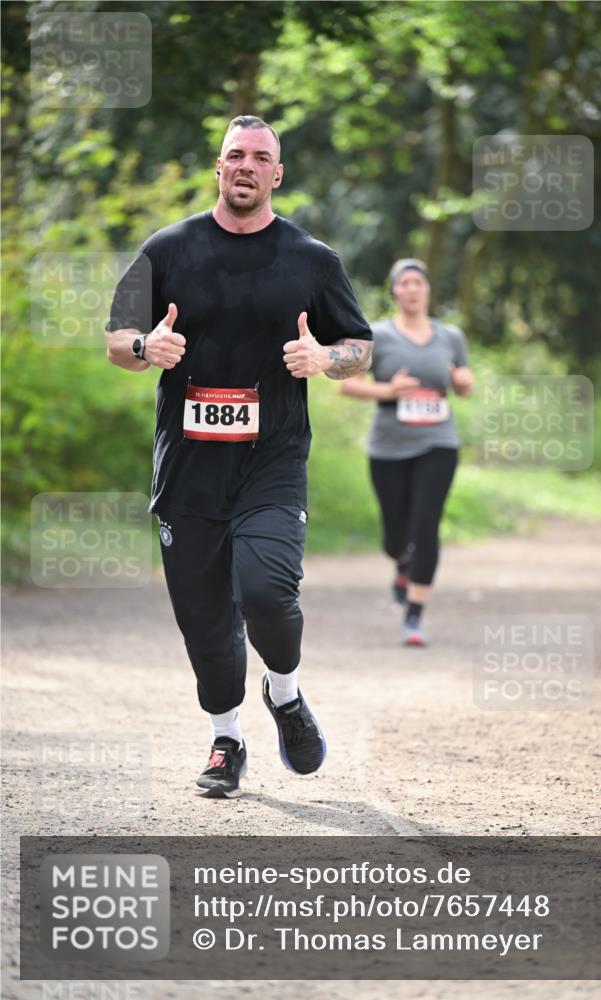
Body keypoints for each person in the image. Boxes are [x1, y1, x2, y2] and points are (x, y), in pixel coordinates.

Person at [106, 115, 372, 797]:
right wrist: (145, 350)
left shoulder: (312, 260)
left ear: (277, 174)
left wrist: (324, 358)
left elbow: (359, 349)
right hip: (189, 469)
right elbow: (118, 339)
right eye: (235, 156)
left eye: (261, 157)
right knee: (203, 619)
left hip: (271, 461)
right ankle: (226, 740)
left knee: (266, 593)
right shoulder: (168, 248)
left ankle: (283, 693)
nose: (247, 166)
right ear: (218, 169)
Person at [340, 258, 473, 647]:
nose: (412, 289)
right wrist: (388, 391)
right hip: (389, 445)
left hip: (439, 442)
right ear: (395, 291)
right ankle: (401, 562)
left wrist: (464, 383)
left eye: (419, 283)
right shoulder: (376, 335)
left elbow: (463, 382)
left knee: (426, 524)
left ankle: (414, 616)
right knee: (395, 536)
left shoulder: (451, 337)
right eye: (405, 283)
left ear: (428, 290)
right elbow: (348, 386)